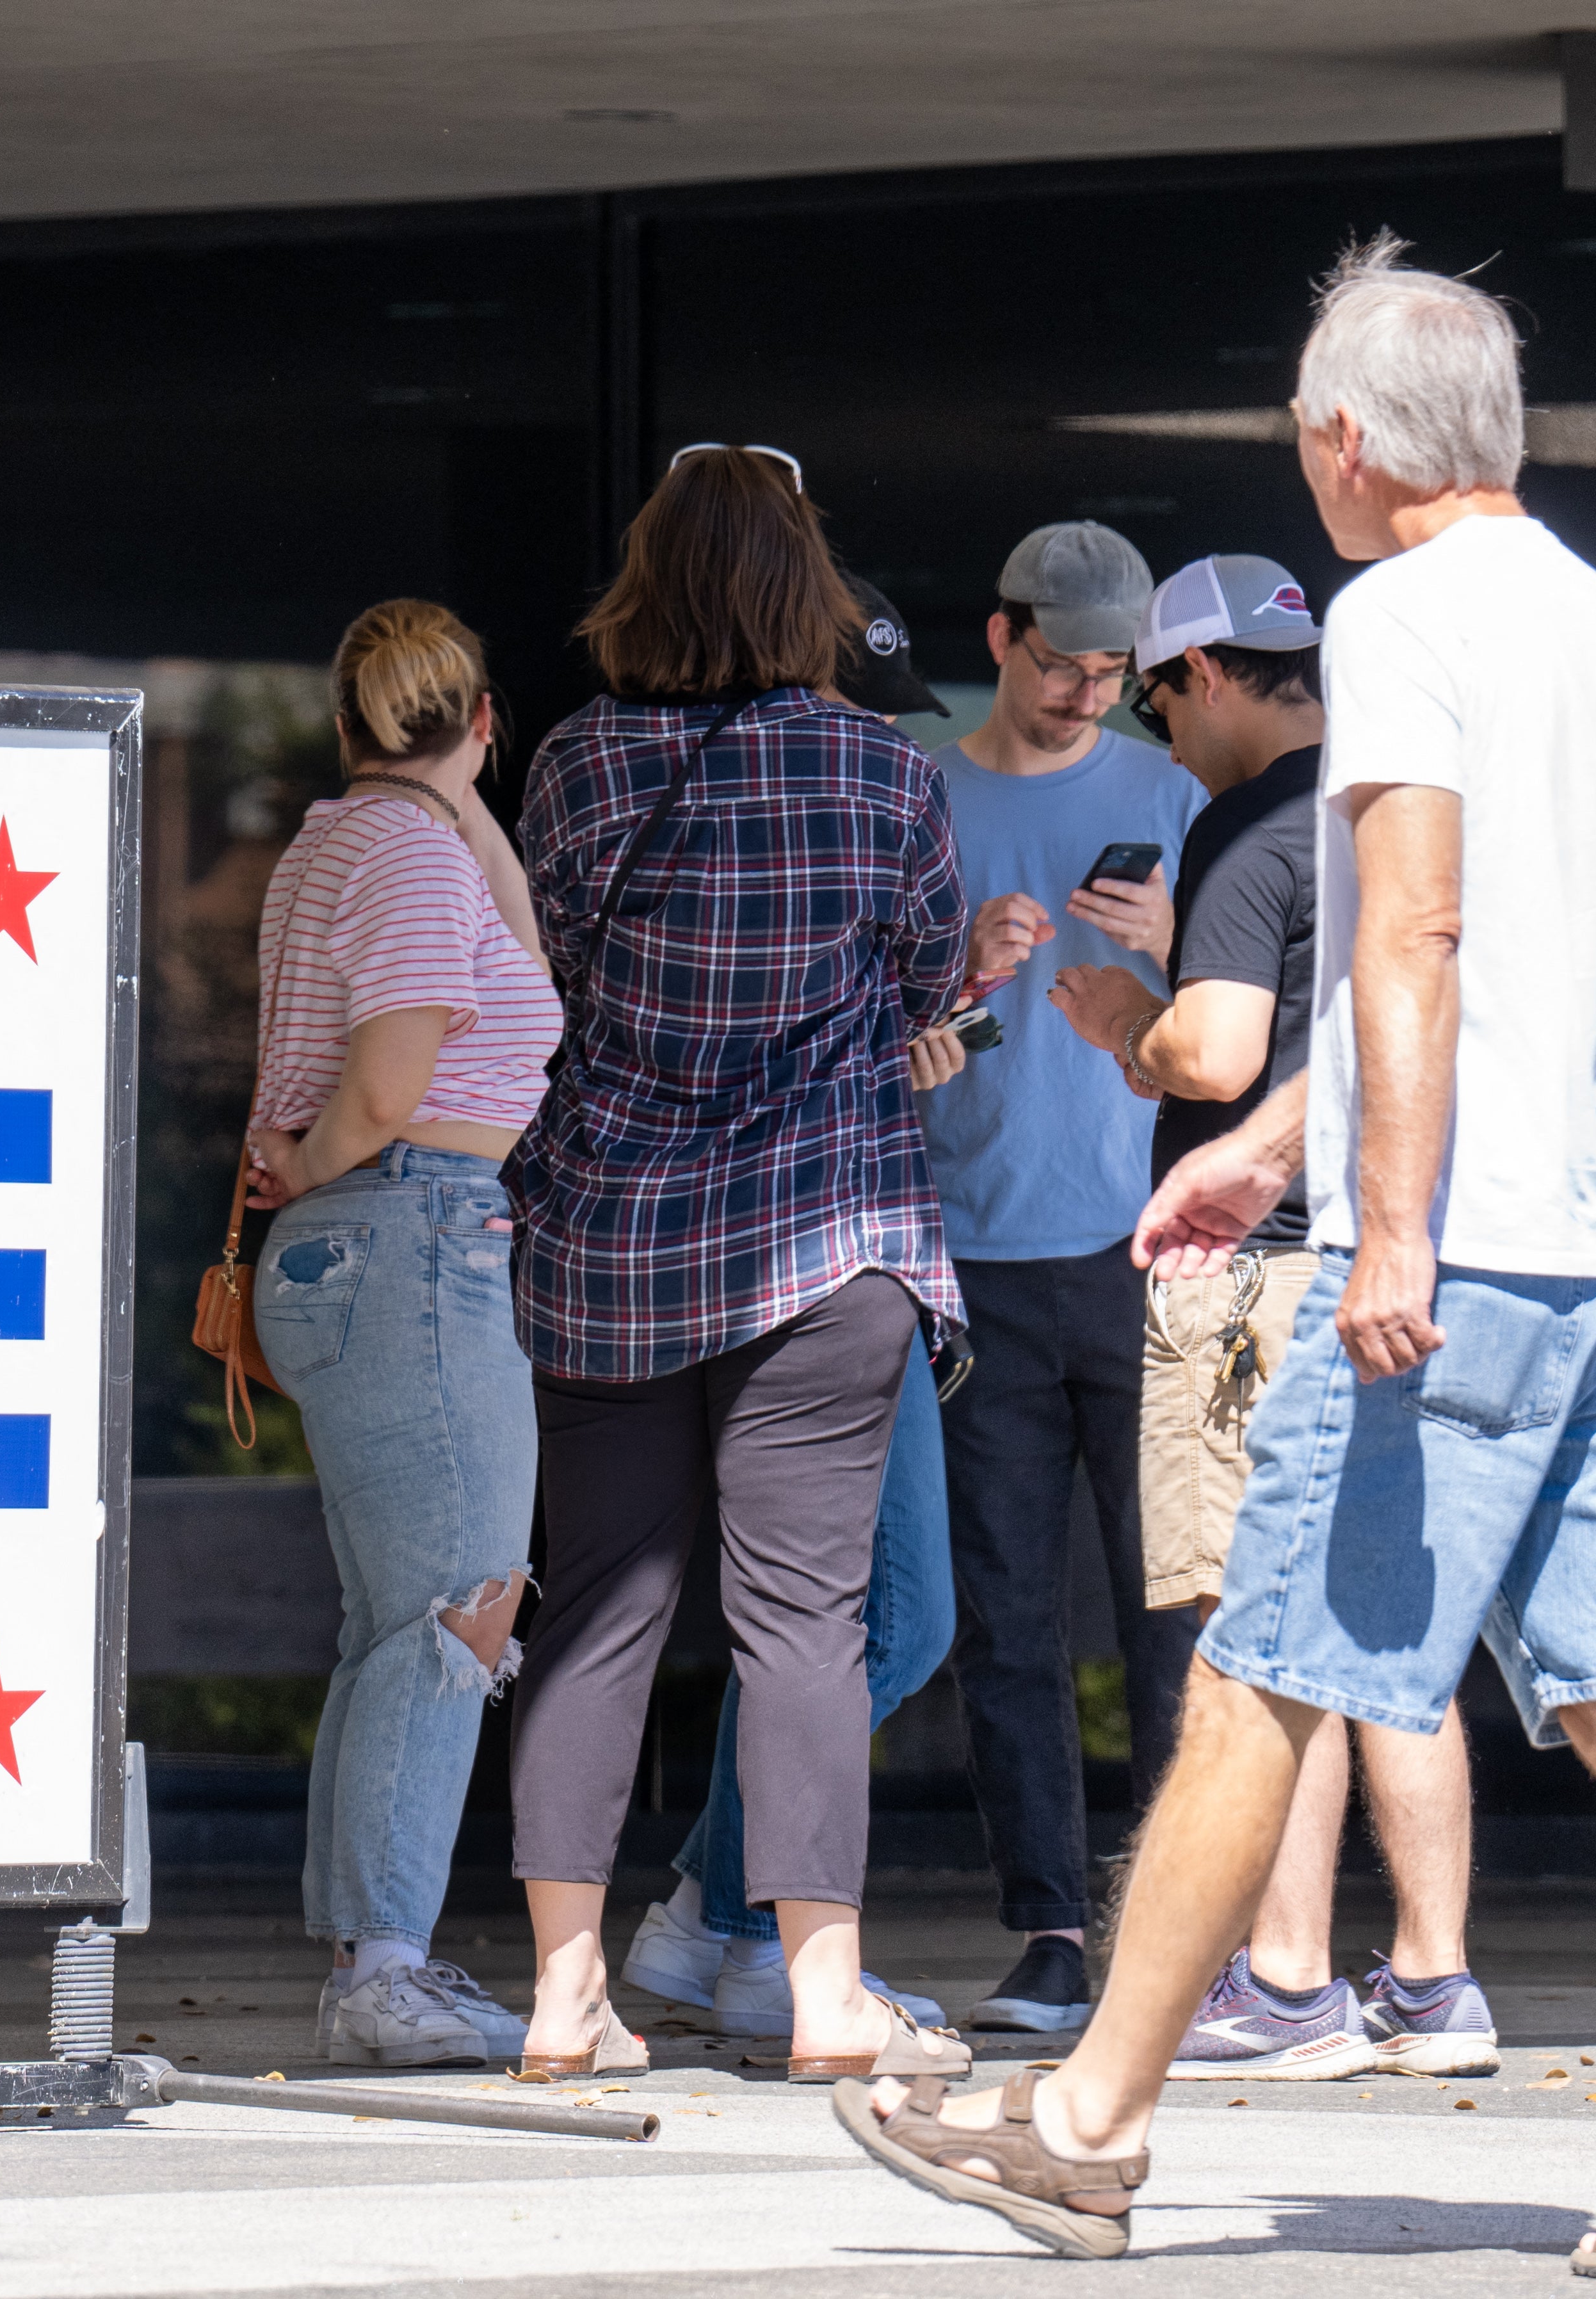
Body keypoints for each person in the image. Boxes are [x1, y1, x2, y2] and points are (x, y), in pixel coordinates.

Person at [842, 235, 1596, 2287]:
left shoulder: (1399, 619)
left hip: (1451, 1266)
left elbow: (1415, 933)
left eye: (1307, 432)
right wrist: (1274, 1142)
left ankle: (1086, 2125)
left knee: (1251, 1684)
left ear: (1349, 441)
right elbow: (1534, 963)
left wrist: (1372, 1222)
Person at [506, 446, 977, 2085]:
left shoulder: (573, 766)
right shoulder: (883, 772)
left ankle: (566, 1996)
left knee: (593, 1617)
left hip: (608, 1249)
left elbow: (542, 975)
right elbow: (925, 981)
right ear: (809, 597)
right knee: (804, 1621)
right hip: (823, 1240)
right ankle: (825, 1992)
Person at [1044, 554, 1492, 2085]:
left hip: (1256, 1272)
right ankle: (1432, 1980)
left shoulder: (1244, 825)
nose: (1159, 730)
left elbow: (1221, 1053)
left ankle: (1288, 1977)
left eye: (1160, 693)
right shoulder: (1392, 810)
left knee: (1253, 1632)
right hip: (1396, 1259)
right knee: (1389, 1628)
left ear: (1213, 677)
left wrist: (1124, 1021)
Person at [620, 574, 963, 2042]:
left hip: (806, 1245)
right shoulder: (787, 792)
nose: (862, 735)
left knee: (853, 1621)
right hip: (824, 1250)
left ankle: (706, 1911)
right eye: (842, 699)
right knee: (858, 1621)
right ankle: (753, 1929)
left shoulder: (779, 789)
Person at [243, 600, 563, 2069]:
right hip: (409, 1225)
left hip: (371, 1245)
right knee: (458, 1609)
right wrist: (312, 1160)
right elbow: (382, 1086)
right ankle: (385, 1965)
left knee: (401, 1617)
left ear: (342, 725)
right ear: (482, 719)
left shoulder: (350, 844)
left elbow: (507, 946)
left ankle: (368, 1952)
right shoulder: (409, 859)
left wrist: (454, 786)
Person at [912, 520, 1204, 2037]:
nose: (1092, 692)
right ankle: (1046, 1928)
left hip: (1144, 1249)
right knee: (1007, 1617)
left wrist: (1166, 956)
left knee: (1174, 1611)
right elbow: (874, 1048)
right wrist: (957, 978)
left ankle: (1180, 1930)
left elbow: (1242, 1036)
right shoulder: (923, 797)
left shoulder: (1172, 793)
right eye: (1066, 663)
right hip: (967, 1254)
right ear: (998, 637)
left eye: (1116, 669)